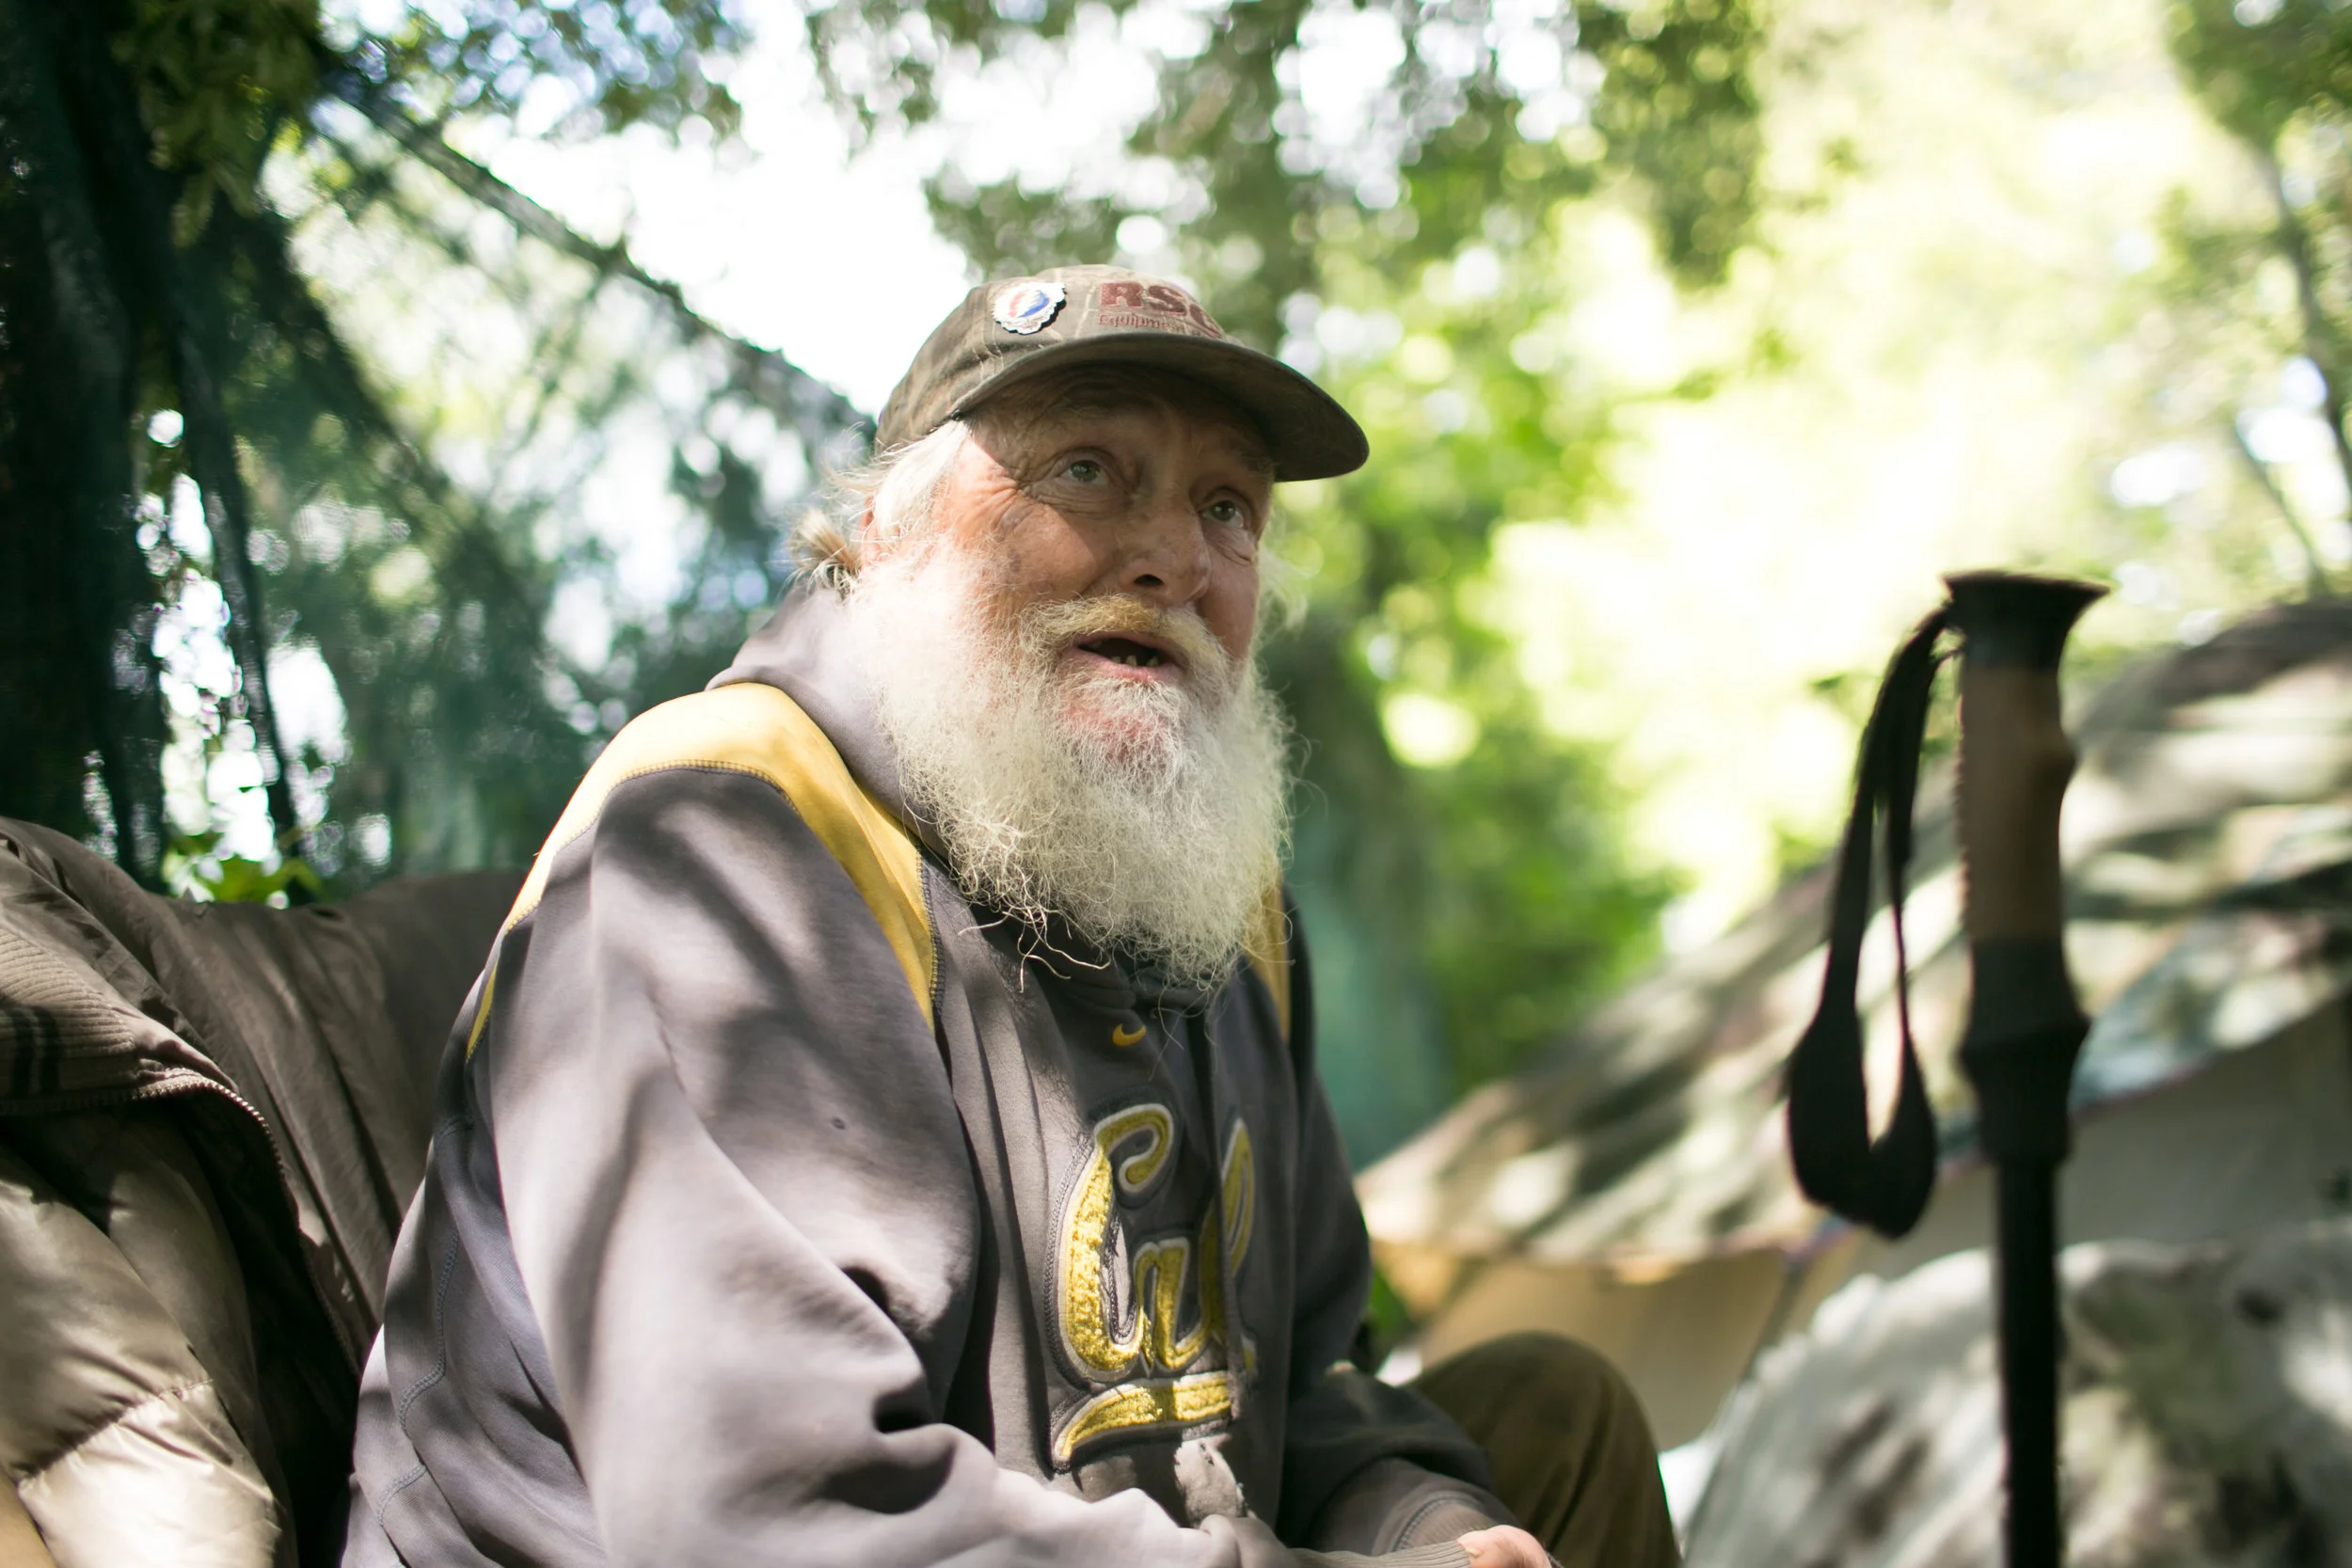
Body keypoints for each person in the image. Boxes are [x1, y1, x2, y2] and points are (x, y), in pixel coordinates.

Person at [342, 265, 1679, 1568]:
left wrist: (1420, 1527)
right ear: (885, 532)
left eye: (1227, 506)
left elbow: (1302, 1384)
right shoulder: (723, 842)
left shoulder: (1227, 915)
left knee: (1557, 1421)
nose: (1172, 558)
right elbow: (773, 1517)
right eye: (1087, 470)